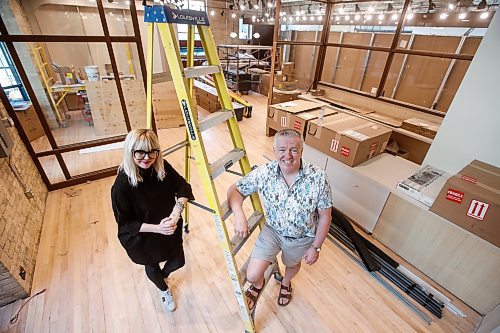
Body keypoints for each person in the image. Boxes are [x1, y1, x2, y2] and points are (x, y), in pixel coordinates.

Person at [227, 128, 333, 310]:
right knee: (252, 275)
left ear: (301, 151)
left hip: (302, 237)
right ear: (274, 151)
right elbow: (235, 189)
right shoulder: (264, 172)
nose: (288, 155)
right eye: (282, 150)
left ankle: (286, 282)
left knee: (291, 265)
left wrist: (316, 247)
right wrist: (238, 213)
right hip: (273, 232)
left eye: (293, 149)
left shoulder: (318, 178)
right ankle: (258, 286)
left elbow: (325, 217)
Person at [111, 129, 194, 312]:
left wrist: (176, 212)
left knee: (178, 261)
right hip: (142, 235)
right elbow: (126, 224)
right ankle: (163, 289)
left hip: (168, 227)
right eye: (140, 152)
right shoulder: (121, 186)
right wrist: (157, 228)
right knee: (152, 266)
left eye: (152, 151)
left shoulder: (161, 166)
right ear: (130, 151)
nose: (147, 158)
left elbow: (182, 186)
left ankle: (161, 278)